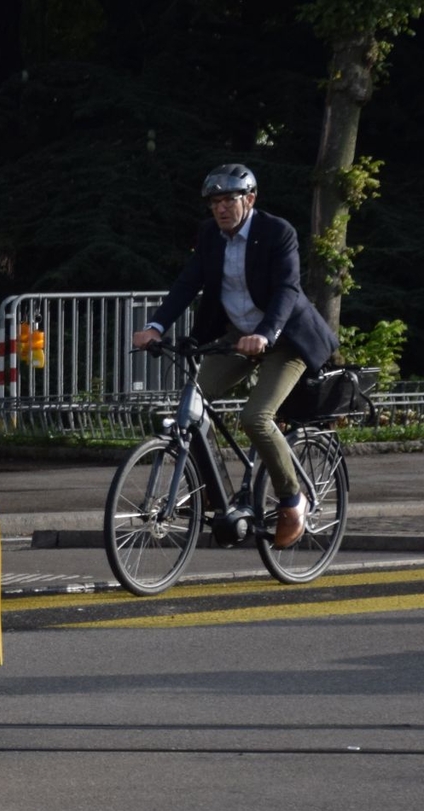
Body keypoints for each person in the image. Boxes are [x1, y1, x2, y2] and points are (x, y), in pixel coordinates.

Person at [131, 165, 337, 550]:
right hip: (237, 336)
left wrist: (265, 334)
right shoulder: (211, 236)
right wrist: (156, 326)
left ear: (250, 200)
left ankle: (293, 500)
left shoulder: (277, 232)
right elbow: (188, 282)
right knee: (191, 406)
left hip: (286, 339)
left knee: (255, 418)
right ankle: (213, 491)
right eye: (215, 202)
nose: (221, 209)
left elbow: (287, 290)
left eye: (229, 199)